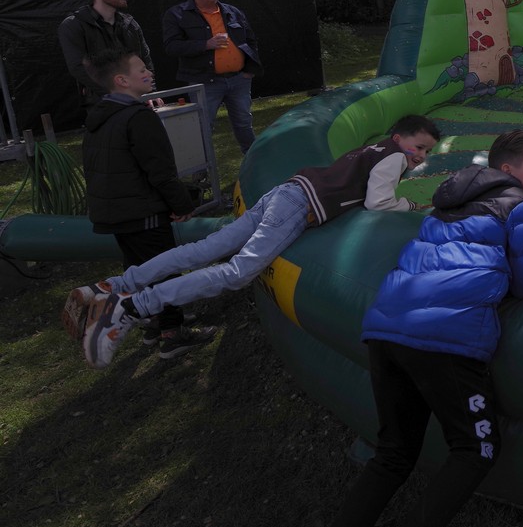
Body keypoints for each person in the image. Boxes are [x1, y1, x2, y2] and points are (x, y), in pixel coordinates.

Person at [70, 115, 441, 369]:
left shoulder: (374, 149)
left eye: (426, 152)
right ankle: (131, 307)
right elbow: (379, 202)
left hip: (285, 192)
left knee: (203, 250)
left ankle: (113, 285)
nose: (421, 156)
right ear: (399, 138)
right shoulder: (394, 158)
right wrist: (408, 205)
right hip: (297, 207)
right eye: (420, 147)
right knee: (237, 272)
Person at [327, 130, 523, 527]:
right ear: (508, 170)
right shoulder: (521, 206)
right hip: (444, 339)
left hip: (386, 330)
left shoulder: (447, 203)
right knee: (476, 449)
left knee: (393, 453)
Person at [61, 48, 205, 358]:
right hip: (143, 213)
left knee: (137, 268)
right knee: (163, 269)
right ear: (122, 80)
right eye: (141, 69)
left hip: (116, 215)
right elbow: (161, 171)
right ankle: (172, 331)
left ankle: (152, 321)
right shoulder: (139, 117)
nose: (149, 73)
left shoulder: (100, 118)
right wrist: (181, 205)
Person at [162, 0, 262, 153]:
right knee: (203, 126)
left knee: (244, 122)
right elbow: (172, 46)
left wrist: (249, 70)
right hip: (204, 82)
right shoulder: (177, 14)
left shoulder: (232, 12)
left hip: (239, 79)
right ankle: (204, 168)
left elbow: (250, 40)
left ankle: (254, 160)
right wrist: (205, 44)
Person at [57, 0, 155, 105]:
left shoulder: (130, 24)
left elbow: (145, 60)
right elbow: (78, 68)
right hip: (103, 103)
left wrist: (149, 92)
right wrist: (117, 94)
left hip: (138, 99)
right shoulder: (73, 25)